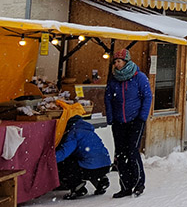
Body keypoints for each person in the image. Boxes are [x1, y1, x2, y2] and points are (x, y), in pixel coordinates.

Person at [105, 48, 152, 198]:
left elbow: (147, 97)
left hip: (135, 120)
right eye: (115, 62)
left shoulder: (140, 77)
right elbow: (108, 99)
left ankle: (139, 183)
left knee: (132, 151)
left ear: (126, 62)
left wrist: (142, 118)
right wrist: (111, 118)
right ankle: (125, 186)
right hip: (119, 122)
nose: (117, 65)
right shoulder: (113, 79)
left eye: (119, 61)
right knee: (121, 154)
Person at [55, 115, 111, 199]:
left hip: (91, 169)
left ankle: (78, 187)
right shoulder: (89, 131)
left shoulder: (74, 133)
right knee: (88, 159)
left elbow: (64, 152)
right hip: (105, 165)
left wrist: (50, 160)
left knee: (65, 162)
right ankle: (101, 181)